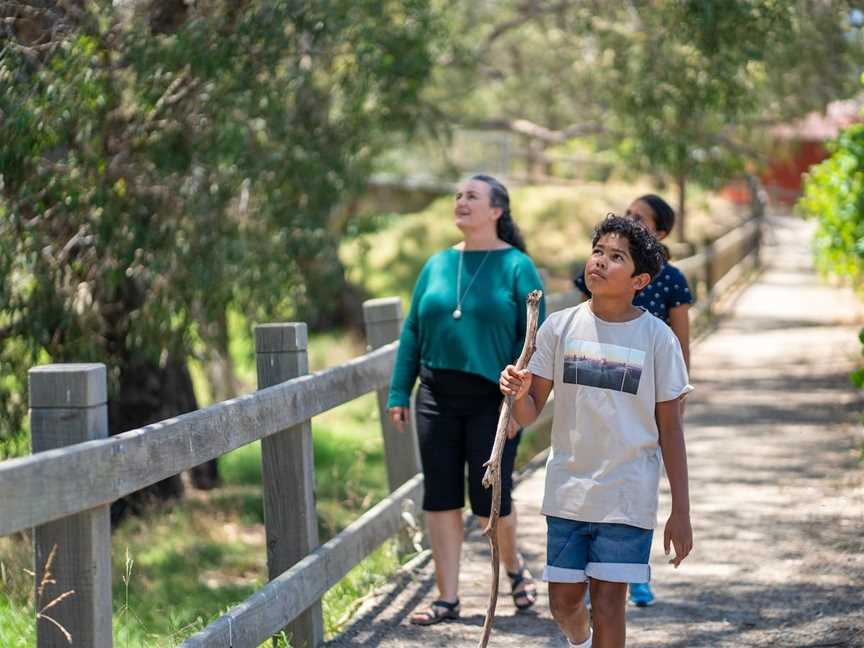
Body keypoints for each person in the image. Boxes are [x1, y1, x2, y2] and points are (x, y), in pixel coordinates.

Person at [500, 214, 693, 648]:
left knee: (609, 606)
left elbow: (671, 430)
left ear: (639, 279)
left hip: (627, 494)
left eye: (616, 257)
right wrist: (516, 392)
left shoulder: (657, 339)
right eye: (598, 252)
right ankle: (580, 640)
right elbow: (530, 413)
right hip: (568, 490)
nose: (601, 262)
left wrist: (681, 511)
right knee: (564, 603)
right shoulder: (559, 328)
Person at [387, 174, 546, 625]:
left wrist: (520, 404)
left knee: (489, 498)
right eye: (457, 195)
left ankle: (513, 567)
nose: (460, 201)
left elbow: (533, 341)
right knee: (439, 496)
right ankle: (448, 599)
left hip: (493, 399)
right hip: (435, 393)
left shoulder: (518, 267)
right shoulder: (436, 264)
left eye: (471, 196)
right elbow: (413, 331)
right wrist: (400, 390)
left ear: (497, 210)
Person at [573, 194, 693, 606]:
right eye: (628, 214)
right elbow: (581, 320)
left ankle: (632, 570)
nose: (630, 220)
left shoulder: (672, 280)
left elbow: (680, 339)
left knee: (638, 478)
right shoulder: (600, 272)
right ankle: (593, 572)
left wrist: (678, 394)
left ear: (659, 234)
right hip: (602, 371)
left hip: (649, 383)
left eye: (640, 219)